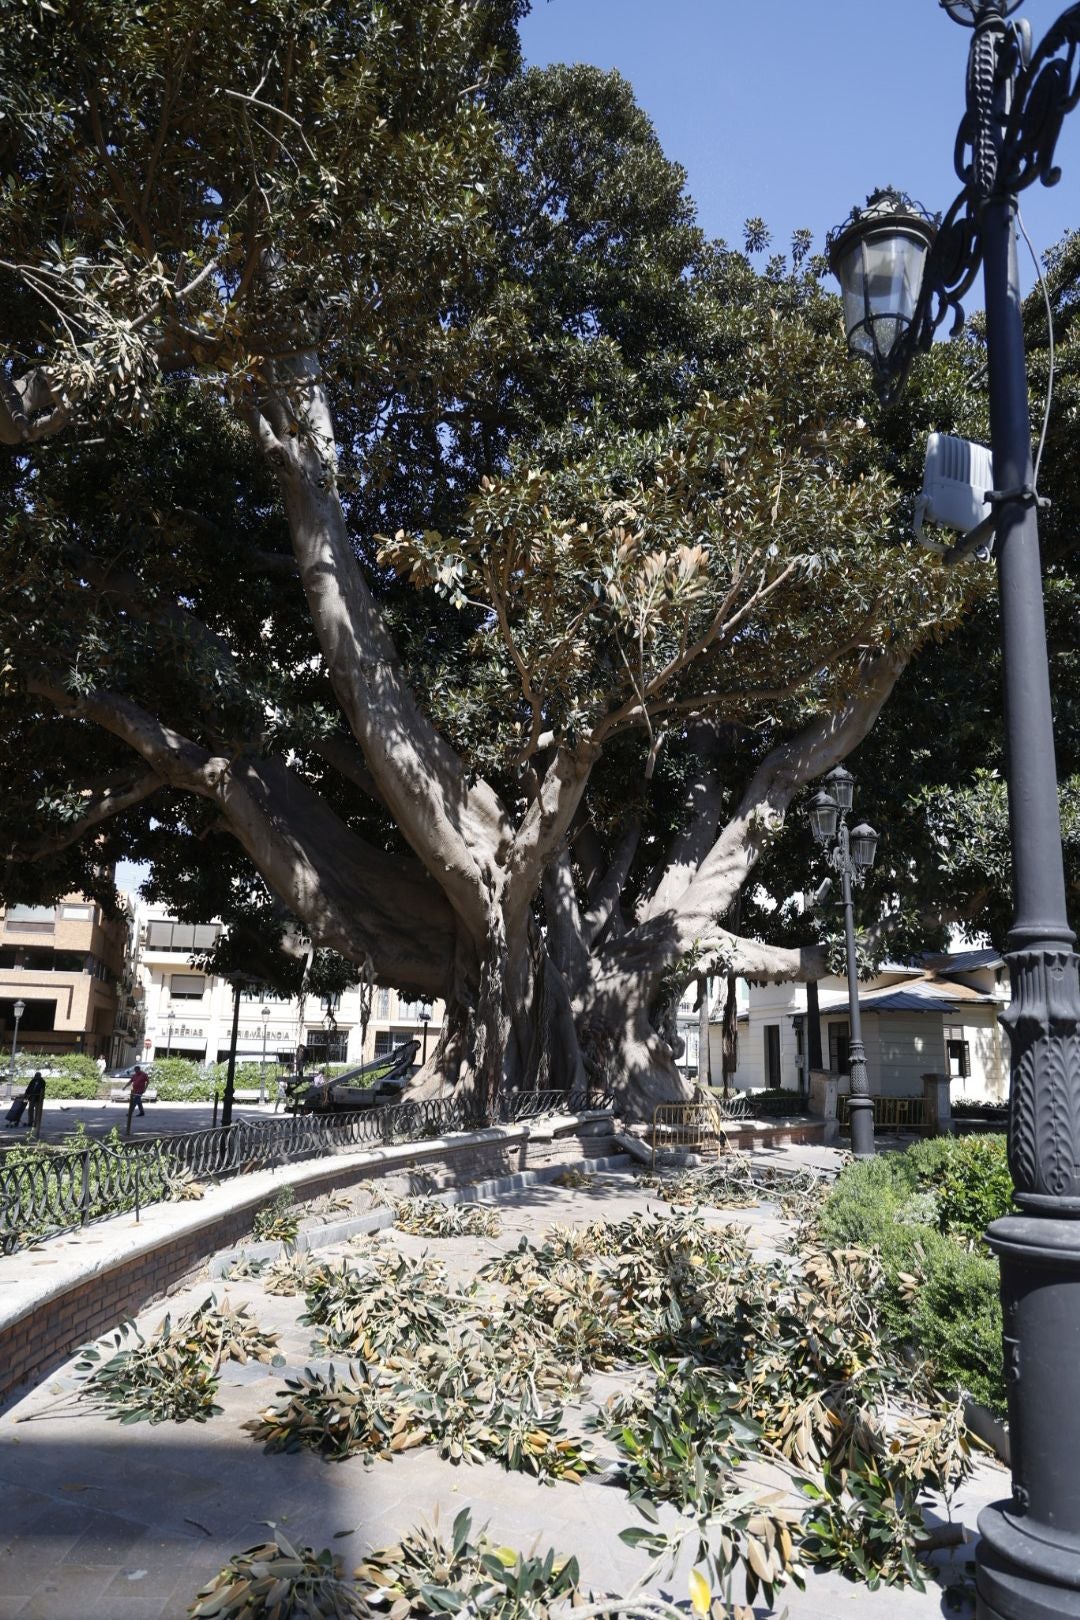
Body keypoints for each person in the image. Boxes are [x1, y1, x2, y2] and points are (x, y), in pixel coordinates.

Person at [125, 1065, 149, 1134]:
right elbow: (130, 1081)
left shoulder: (144, 1075)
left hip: (140, 1090)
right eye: (135, 1071)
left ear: (139, 1070)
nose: (136, 1072)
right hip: (135, 1090)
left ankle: (130, 1113)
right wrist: (125, 1087)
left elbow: (148, 1082)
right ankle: (142, 1112)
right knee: (138, 1102)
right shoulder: (134, 1075)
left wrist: (145, 1089)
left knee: (134, 1102)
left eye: (137, 1071)